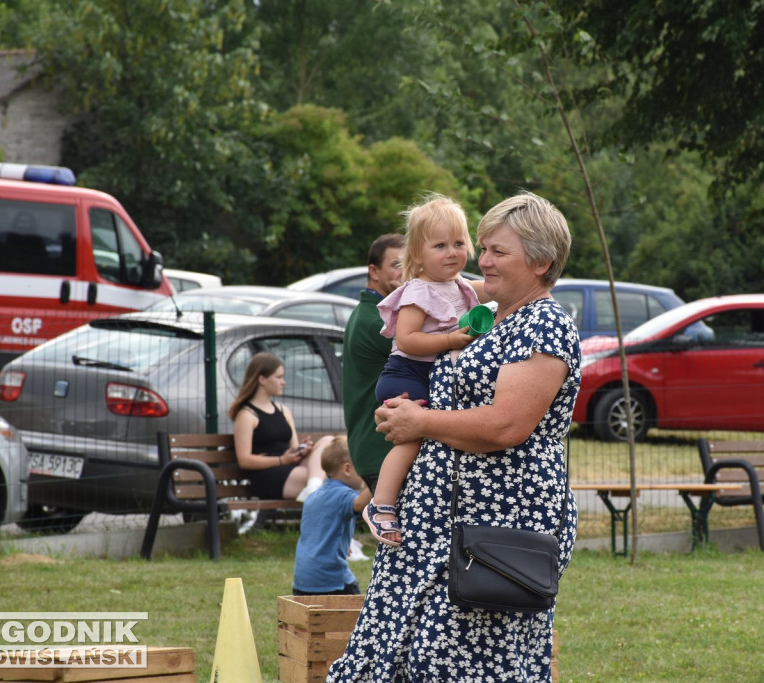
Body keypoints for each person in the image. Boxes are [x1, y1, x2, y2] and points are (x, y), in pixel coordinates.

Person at [327, 192, 581, 682]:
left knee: (461, 660)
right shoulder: (488, 319)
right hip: (433, 517)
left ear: (541, 261)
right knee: (388, 645)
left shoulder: (544, 324)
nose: (481, 260)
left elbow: (508, 424)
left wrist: (421, 424)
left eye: (497, 252)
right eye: (481, 247)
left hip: (498, 522)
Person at [361, 194, 488, 547]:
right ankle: (380, 504)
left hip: (429, 375)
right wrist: (449, 340)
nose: (452, 252)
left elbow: (495, 290)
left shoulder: (459, 285)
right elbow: (408, 339)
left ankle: (408, 501)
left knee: (434, 439)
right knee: (414, 437)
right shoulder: (418, 291)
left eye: (459, 243)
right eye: (440, 245)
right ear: (416, 254)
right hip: (405, 373)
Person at [342, 233, 405, 496]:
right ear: (373, 271)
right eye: (396, 265)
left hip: (378, 447)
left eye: (410, 264)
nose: (405, 273)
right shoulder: (377, 321)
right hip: (381, 448)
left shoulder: (371, 312)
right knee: (400, 536)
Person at [229, 352, 330, 503]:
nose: (283, 382)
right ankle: (312, 488)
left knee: (328, 441)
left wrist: (302, 450)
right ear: (262, 379)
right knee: (332, 479)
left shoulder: (284, 411)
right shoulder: (246, 415)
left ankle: (312, 488)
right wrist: (282, 460)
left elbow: (293, 447)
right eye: (279, 377)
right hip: (268, 475)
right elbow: (244, 460)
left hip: (290, 466)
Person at [292, 436, 372, 595]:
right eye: (361, 466)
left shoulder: (314, 496)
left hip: (303, 578)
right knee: (356, 616)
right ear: (347, 469)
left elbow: (320, 529)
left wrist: (340, 544)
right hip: (329, 578)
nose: (363, 471)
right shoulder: (342, 495)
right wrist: (379, 480)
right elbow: (359, 503)